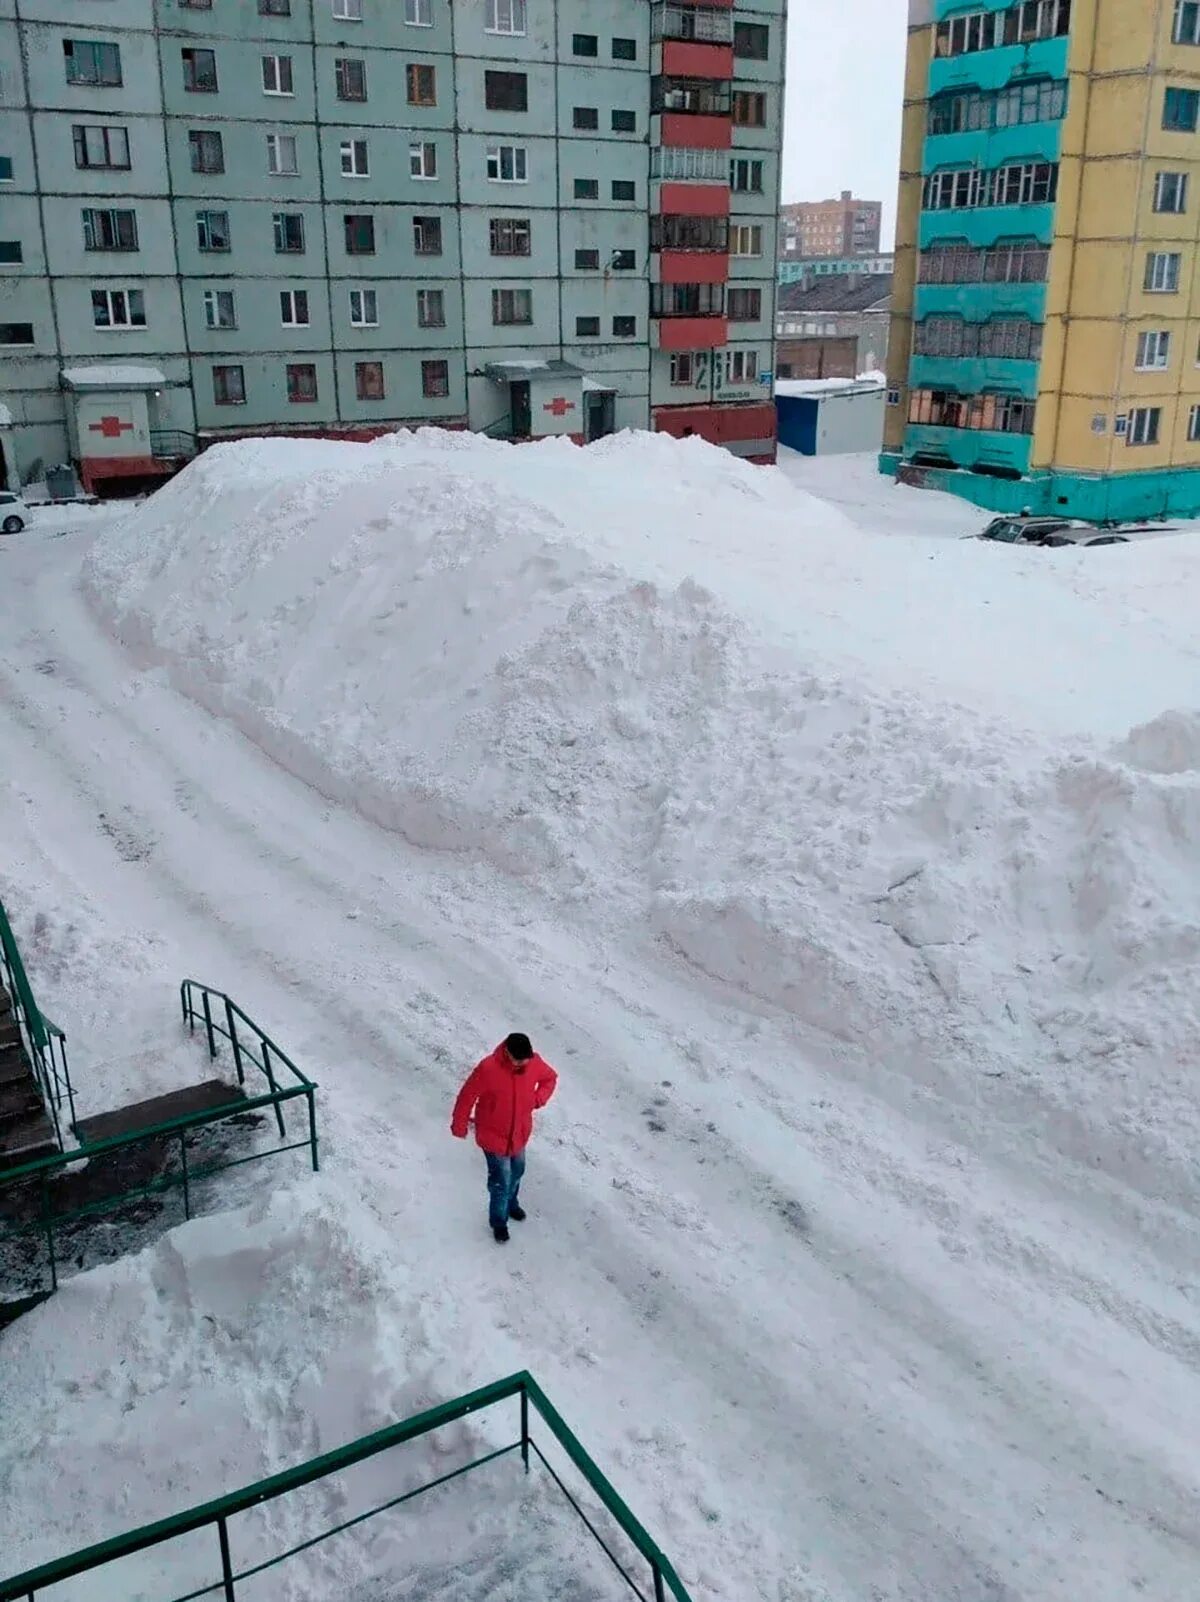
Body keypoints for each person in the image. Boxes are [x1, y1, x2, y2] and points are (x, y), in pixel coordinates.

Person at [451, 1032, 558, 1243]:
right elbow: (467, 1096)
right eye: (519, 1060)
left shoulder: (534, 1063)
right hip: (493, 1137)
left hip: (519, 1134)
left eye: (525, 1060)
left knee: (518, 1170)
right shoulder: (488, 1069)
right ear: (507, 1053)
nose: (522, 1064)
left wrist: (537, 1099)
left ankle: (511, 1203)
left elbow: (550, 1078)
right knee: (501, 1180)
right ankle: (499, 1222)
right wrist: (459, 1124)